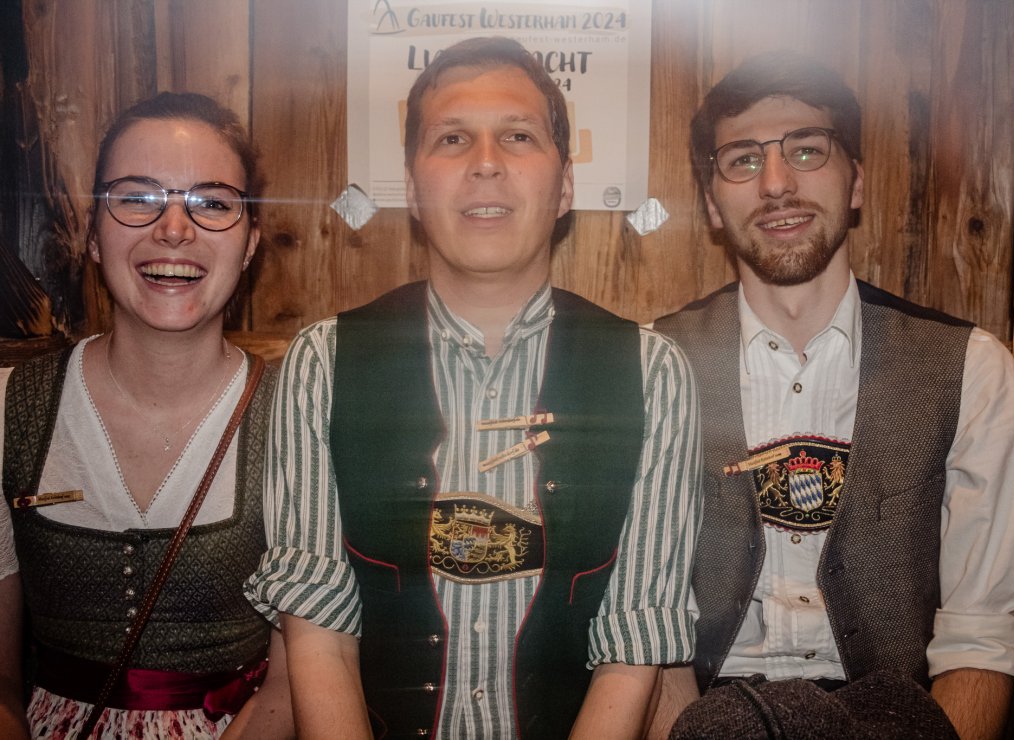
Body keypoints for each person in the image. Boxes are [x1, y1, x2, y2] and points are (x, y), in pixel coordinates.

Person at [246, 36, 702, 739]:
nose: (485, 163)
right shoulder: (322, 364)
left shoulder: (654, 374)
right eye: (452, 138)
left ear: (566, 185)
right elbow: (319, 639)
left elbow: (633, 646)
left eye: (517, 136)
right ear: (412, 188)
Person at [651, 51, 1014, 739]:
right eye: (743, 160)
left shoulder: (970, 367)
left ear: (855, 182)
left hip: (900, 717)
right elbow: (650, 630)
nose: (776, 184)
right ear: (711, 203)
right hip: (709, 716)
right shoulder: (654, 365)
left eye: (806, 150)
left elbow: (981, 635)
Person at [0, 92, 293, 739]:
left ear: (250, 243)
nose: (174, 229)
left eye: (211, 203)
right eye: (137, 198)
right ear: (92, 234)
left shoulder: (298, 418)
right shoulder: (8, 409)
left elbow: (296, 681)